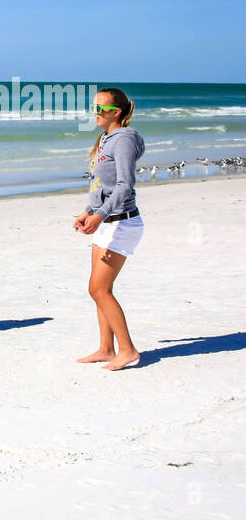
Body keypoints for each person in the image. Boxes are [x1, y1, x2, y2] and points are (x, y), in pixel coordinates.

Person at [73, 87, 144, 370]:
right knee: (102, 289)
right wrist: (88, 212)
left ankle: (127, 350)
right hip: (107, 222)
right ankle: (106, 348)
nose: (95, 112)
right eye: (94, 106)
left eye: (101, 108)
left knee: (98, 289)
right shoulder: (106, 138)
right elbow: (103, 187)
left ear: (115, 112)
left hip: (122, 223)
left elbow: (125, 185)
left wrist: (99, 215)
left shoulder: (123, 139)